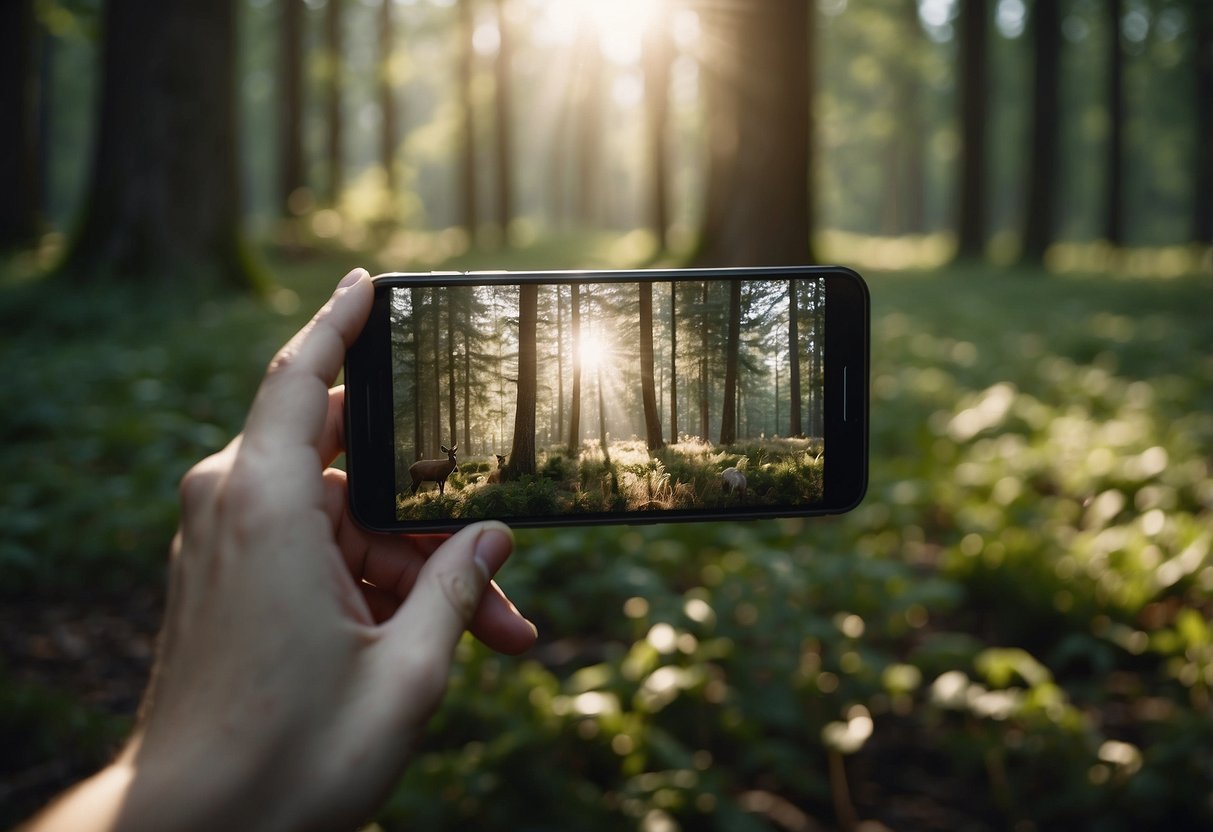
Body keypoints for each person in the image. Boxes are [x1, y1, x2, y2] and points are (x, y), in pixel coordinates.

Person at [24, 268, 538, 831]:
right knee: (422, 491)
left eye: (450, 457)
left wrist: (162, 776)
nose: (448, 459)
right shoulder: (426, 470)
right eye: (448, 457)